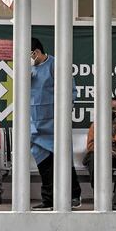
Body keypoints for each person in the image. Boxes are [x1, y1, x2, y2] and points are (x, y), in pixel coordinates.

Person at [30, 37, 82, 210]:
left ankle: (74, 196)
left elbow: (71, 91)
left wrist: (62, 115)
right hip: (35, 125)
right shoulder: (28, 69)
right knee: (43, 164)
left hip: (54, 123)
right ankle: (49, 200)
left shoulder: (56, 65)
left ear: (35, 52)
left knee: (63, 160)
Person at [83, 97, 116, 210]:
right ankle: (100, 197)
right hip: (100, 155)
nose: (110, 111)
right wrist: (105, 151)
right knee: (94, 158)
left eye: (114, 109)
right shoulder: (96, 124)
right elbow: (91, 145)